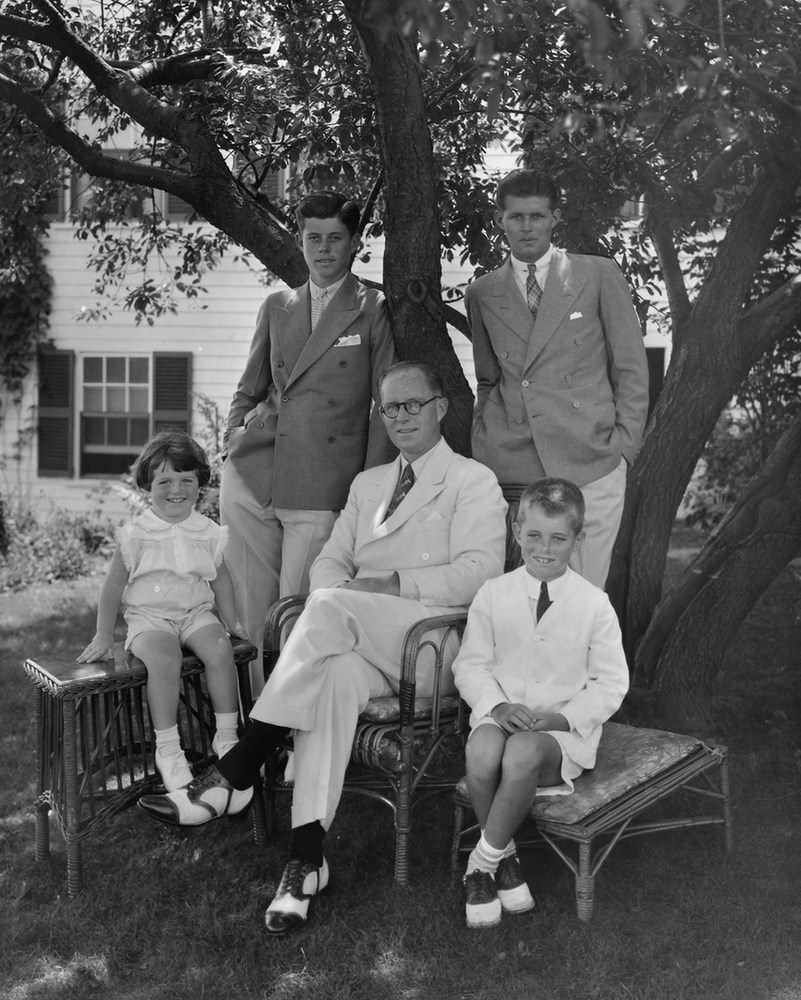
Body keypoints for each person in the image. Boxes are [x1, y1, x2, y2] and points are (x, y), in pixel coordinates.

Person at [138, 361, 508, 935]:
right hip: (354, 641)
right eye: (391, 407)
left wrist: (383, 586)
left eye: (414, 404)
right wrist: (341, 590)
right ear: (381, 416)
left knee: (330, 608)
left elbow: (479, 573)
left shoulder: (471, 481)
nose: (402, 416)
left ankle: (238, 767)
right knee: (329, 675)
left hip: (430, 646)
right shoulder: (368, 485)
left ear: (440, 407)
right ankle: (306, 860)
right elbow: (331, 561)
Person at [220, 190, 398, 686]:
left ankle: (292, 726)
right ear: (299, 242)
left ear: (355, 243)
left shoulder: (373, 307)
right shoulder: (277, 306)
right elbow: (249, 387)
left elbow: (385, 406)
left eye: (335, 239)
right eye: (312, 238)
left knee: (296, 610)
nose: (323, 249)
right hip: (254, 471)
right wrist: (231, 439)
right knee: (251, 608)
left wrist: (371, 489)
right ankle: (253, 717)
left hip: (325, 479)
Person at [452, 477, 629, 928]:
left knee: (524, 750)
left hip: (558, 735)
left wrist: (560, 717)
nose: (544, 548)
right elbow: (470, 666)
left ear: (578, 539)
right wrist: (497, 707)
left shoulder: (595, 604)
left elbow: (611, 684)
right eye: (533, 535)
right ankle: (507, 861)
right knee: (483, 749)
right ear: (516, 533)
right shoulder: (494, 594)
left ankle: (481, 865)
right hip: (502, 717)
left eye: (558, 538)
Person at [465, 169, 650, 588]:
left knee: (582, 599)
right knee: (519, 599)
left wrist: (624, 450)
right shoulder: (482, 292)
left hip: (593, 460)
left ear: (555, 218)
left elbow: (631, 369)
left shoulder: (597, 274)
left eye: (536, 216)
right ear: (500, 221)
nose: (526, 227)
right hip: (515, 464)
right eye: (516, 217)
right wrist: (485, 440)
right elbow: (488, 379)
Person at [77, 431, 241, 792]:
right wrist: (104, 634)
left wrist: (230, 620)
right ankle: (168, 748)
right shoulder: (137, 535)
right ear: (148, 486)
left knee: (219, 648)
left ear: (200, 483)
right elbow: (112, 588)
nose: (176, 489)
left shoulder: (208, 532)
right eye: (165, 481)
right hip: (149, 619)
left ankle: (227, 736)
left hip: (195, 613)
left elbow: (222, 580)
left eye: (186, 480)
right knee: (165, 658)